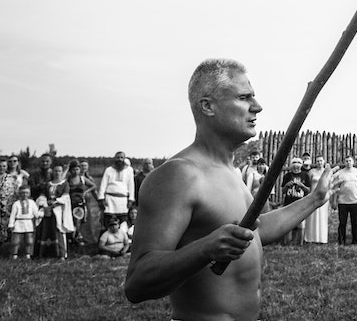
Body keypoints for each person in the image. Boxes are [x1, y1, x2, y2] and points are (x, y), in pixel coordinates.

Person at [123, 58, 332, 320]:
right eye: (244, 97)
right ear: (208, 106)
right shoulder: (180, 174)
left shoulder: (229, 171)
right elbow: (137, 283)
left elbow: (254, 231)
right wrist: (206, 248)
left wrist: (315, 199)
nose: (257, 106)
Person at [35, 163, 73, 259]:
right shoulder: (48, 184)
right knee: (46, 230)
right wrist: (45, 203)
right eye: (55, 171)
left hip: (59, 210)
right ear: (53, 172)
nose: (57, 173)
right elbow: (43, 195)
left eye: (59, 171)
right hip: (48, 209)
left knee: (58, 230)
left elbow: (65, 197)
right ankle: (45, 253)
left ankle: (61, 254)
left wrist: (55, 203)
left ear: (62, 172)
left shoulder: (64, 184)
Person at [333, 155, 357, 246]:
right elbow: (336, 187)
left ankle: (355, 241)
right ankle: (341, 240)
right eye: (346, 161)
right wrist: (334, 201)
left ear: (353, 162)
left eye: (350, 161)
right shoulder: (340, 173)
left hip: (355, 201)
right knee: (342, 222)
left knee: (355, 223)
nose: (348, 162)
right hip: (342, 202)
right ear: (344, 162)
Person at [97, 151, 135, 228]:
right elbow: (103, 184)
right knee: (108, 221)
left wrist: (131, 199)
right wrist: (101, 198)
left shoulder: (129, 170)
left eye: (121, 157)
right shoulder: (109, 170)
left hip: (123, 200)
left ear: (124, 159)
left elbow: (131, 185)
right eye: (118, 157)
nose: (119, 159)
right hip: (110, 200)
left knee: (123, 223)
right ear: (115, 158)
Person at [280, 157, 312, 245]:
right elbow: (282, 191)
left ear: (301, 165)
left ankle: (300, 243)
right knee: (287, 222)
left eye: (298, 163)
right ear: (291, 165)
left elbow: (308, 190)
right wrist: (287, 185)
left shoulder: (305, 175)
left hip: (301, 202)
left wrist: (302, 185)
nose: (296, 165)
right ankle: (286, 242)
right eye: (294, 163)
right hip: (288, 203)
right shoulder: (287, 176)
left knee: (301, 223)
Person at [66, 160, 96, 248]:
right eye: (73, 170)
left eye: (77, 169)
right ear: (70, 170)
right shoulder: (67, 179)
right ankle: (71, 239)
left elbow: (93, 186)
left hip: (80, 203)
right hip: (70, 203)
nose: (75, 171)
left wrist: (86, 192)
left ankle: (78, 238)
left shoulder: (82, 178)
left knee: (79, 221)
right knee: (71, 222)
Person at [302, 156, 330, 245]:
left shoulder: (327, 172)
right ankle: (310, 238)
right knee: (311, 217)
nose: (319, 162)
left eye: (321, 161)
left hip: (323, 196)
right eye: (317, 161)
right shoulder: (311, 172)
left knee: (322, 217)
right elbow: (308, 185)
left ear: (324, 161)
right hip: (313, 196)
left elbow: (329, 184)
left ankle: (322, 238)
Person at [8, 186, 41, 259]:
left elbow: (36, 213)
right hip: (18, 222)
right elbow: (13, 215)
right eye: (23, 193)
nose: (25, 195)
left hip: (28, 222)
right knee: (15, 241)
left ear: (29, 193)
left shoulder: (32, 203)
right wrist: (11, 224)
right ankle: (14, 255)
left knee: (29, 240)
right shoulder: (16, 204)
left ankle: (28, 255)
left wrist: (42, 212)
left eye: (26, 193)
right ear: (19, 193)